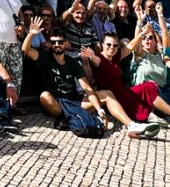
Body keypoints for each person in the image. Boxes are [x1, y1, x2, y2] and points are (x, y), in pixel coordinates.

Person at [21, 20, 156, 137]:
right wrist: (32, 33)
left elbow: (87, 88)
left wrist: (100, 111)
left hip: (73, 100)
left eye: (60, 42)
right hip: (57, 104)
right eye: (54, 42)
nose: (57, 45)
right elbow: (26, 49)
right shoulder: (45, 57)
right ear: (50, 43)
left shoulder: (72, 62)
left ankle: (132, 125)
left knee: (107, 94)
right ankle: (70, 116)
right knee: (44, 96)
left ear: (65, 43)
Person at [84, 32, 170, 131]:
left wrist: (142, 29)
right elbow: (95, 60)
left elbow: (131, 45)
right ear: (102, 45)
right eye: (108, 45)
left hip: (124, 91)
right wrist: (91, 56)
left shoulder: (116, 57)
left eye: (115, 45)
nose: (112, 48)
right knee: (148, 88)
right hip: (113, 96)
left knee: (149, 86)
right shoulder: (99, 58)